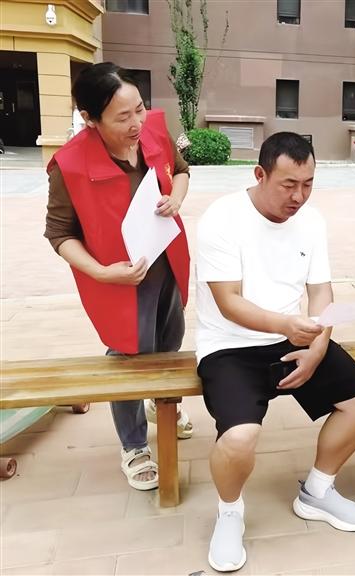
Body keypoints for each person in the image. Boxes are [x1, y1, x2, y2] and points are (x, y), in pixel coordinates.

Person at [196, 131, 355, 573]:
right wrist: (285, 325)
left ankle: (317, 491)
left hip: (293, 338)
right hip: (229, 345)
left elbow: (322, 292)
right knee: (240, 437)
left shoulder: (311, 222)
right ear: (260, 174)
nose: (299, 196)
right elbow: (228, 302)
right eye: (288, 185)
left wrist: (317, 346)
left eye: (308, 184)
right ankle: (229, 513)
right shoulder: (222, 218)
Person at [44, 62, 194, 492]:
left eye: (140, 109)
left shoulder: (153, 132)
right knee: (129, 352)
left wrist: (175, 197)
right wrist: (101, 273)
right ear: (90, 119)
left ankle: (162, 403)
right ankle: (133, 445)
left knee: (169, 342)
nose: (137, 124)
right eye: (122, 117)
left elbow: (181, 170)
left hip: (165, 264)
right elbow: (59, 233)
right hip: (119, 278)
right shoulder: (70, 165)